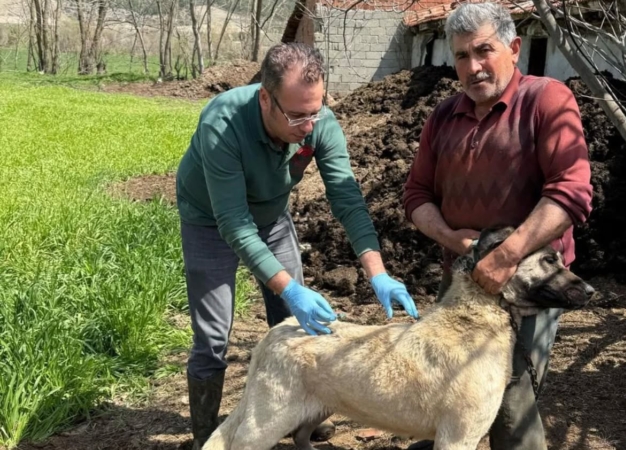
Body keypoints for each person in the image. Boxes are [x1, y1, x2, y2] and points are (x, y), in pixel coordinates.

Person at [176, 42, 419, 450]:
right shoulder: (223, 122)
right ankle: (205, 434)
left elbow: (347, 198)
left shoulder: (317, 120)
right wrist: (289, 286)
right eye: (297, 115)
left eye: (316, 110)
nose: (309, 125)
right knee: (213, 336)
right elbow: (233, 223)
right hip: (210, 221)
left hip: (270, 216)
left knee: (294, 324)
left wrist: (378, 272)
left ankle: (293, 411)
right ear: (265, 98)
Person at [402, 2, 593, 449]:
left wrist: (505, 257)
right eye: (462, 56)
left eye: (483, 50)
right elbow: (416, 196)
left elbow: (571, 191)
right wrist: (453, 240)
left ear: (514, 47)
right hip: (463, 284)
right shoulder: (444, 116)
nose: (473, 66)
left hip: (528, 283)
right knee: (453, 386)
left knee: (509, 394)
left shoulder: (547, 100)